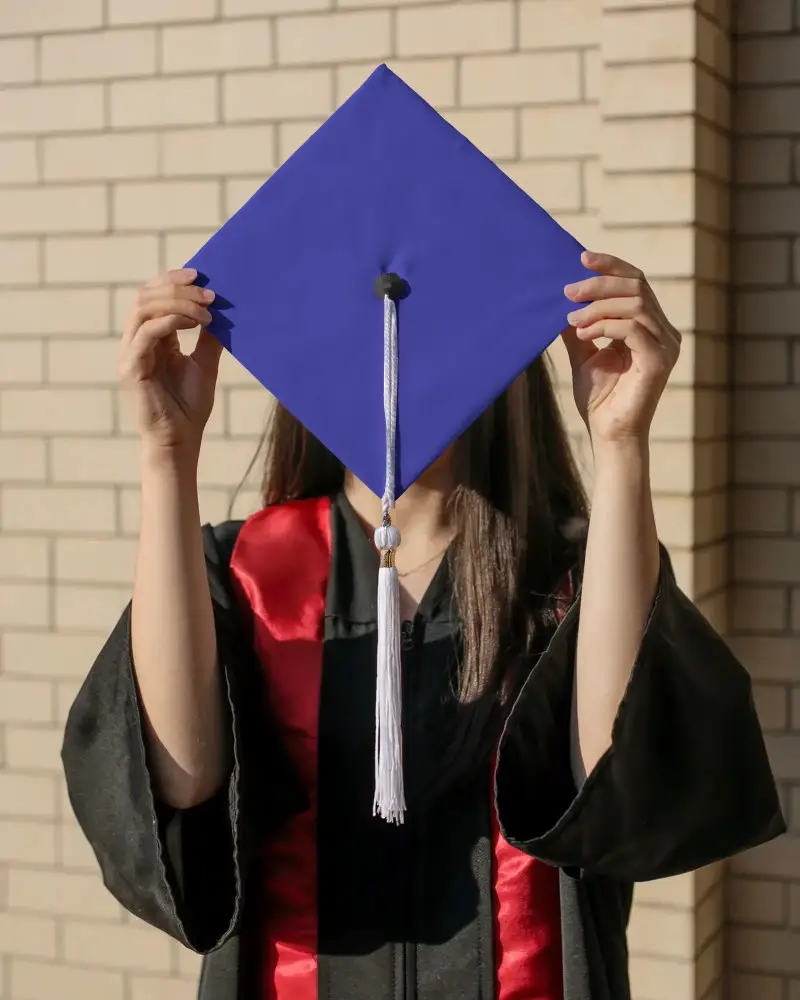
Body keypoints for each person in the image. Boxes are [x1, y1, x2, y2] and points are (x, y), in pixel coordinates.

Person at [62, 253, 784, 1000]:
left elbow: (613, 779)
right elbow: (181, 781)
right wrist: (167, 454)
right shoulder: (246, 568)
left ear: (496, 355)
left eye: (426, 330)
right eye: (366, 334)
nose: (391, 362)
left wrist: (622, 442)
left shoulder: (569, 570)